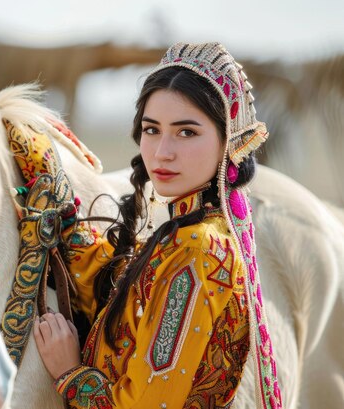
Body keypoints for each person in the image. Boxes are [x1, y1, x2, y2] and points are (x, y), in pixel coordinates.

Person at [31, 43, 283, 409]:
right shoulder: (183, 233)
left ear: (229, 143)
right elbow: (120, 298)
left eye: (186, 133)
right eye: (152, 130)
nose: (163, 151)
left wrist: (69, 372)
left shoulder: (198, 251)